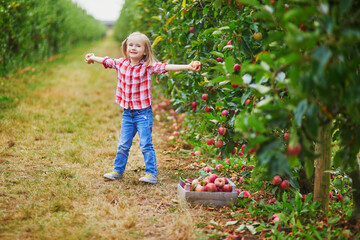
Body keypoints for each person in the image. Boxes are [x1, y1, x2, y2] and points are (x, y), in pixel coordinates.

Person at [84, 32, 201, 184]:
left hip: (143, 113)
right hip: (128, 113)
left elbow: (166, 67)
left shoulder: (148, 67)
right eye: (130, 45)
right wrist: (92, 57)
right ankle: (117, 170)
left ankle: (151, 173)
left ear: (145, 51)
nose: (133, 48)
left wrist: (188, 67)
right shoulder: (121, 63)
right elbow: (106, 60)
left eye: (138, 46)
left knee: (146, 144)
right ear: (125, 48)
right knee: (123, 144)